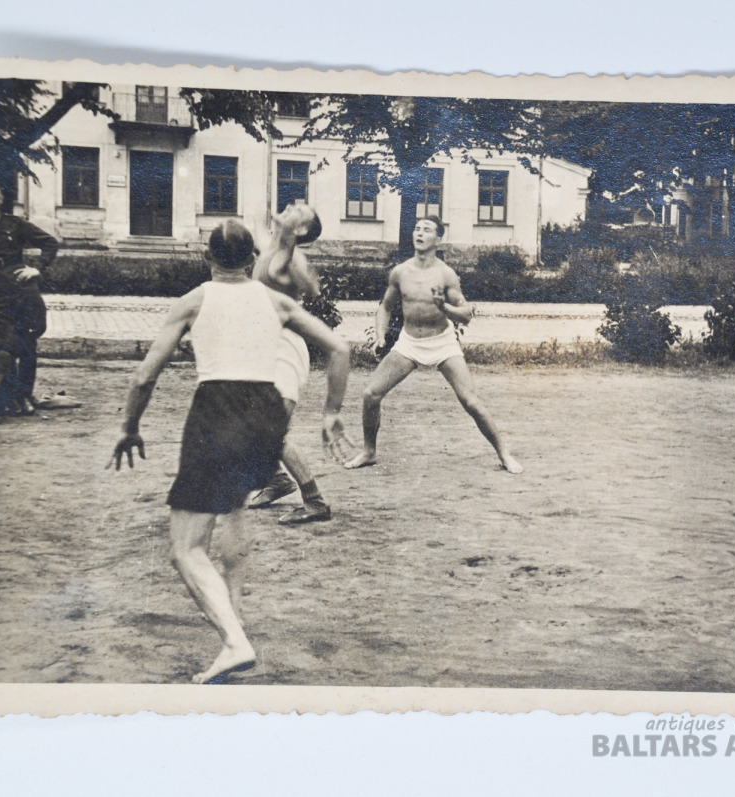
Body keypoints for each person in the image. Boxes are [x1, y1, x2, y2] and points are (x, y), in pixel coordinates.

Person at [111, 217, 354, 684]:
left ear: (207, 257)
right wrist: (331, 413)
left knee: (185, 549)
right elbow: (339, 348)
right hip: (266, 409)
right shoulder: (276, 301)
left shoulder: (194, 300)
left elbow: (144, 376)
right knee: (235, 510)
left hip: (217, 408)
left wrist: (130, 428)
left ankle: (234, 642)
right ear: (251, 259)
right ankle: (235, 611)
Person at [343, 216, 522, 474]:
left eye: (427, 230)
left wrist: (443, 307)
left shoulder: (445, 274)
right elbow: (385, 306)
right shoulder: (401, 272)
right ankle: (369, 452)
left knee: (470, 401)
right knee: (371, 394)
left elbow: (466, 315)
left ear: (438, 238)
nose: (419, 233)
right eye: (417, 228)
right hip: (409, 343)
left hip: (442, 343)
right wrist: (381, 335)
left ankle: (504, 453)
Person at [245, 207, 336, 524]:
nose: (290, 206)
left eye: (298, 211)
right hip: (263, 348)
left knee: (273, 431)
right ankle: (277, 481)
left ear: (300, 231)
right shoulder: (271, 246)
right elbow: (258, 233)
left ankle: (315, 502)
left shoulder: (289, 257)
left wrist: (302, 275)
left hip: (284, 350)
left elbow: (312, 288)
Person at [0, 180, 58, 424]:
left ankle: (23, 395)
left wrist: (37, 268)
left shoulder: (15, 224)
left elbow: (50, 243)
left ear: (3, 200)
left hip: (20, 288)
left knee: (28, 340)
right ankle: (5, 398)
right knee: (4, 341)